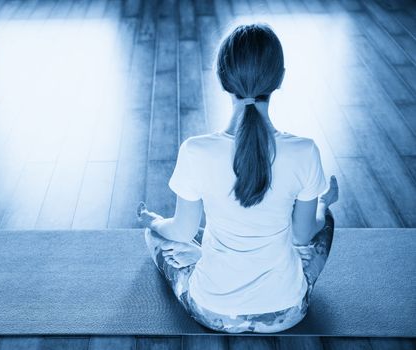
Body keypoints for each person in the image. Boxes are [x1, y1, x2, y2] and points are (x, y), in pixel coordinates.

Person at [136, 23, 339, 333]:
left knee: (157, 236)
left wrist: (153, 221)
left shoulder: (196, 151)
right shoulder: (305, 151)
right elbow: (303, 235)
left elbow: (181, 230)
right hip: (287, 312)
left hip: (213, 310)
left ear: (222, 78)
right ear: (280, 78)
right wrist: (323, 205)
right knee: (326, 222)